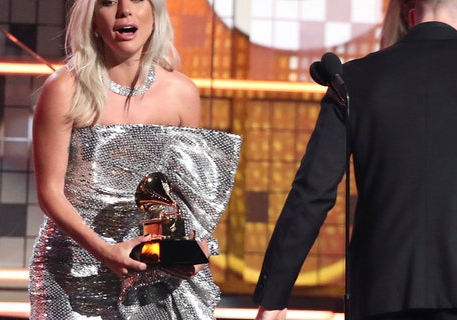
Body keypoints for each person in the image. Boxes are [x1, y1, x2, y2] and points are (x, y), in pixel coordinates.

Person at [28, 0, 241, 319]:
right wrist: (105, 251)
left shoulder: (181, 93)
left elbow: (176, 195)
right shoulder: (64, 89)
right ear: (93, 20)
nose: (124, 10)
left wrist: (188, 248)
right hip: (73, 268)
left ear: (154, 14)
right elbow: (49, 193)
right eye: (108, 2)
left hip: (148, 264)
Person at [253, 0, 457, 319]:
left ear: (410, 14)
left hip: (381, 294)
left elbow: (312, 193)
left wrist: (274, 294)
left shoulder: (353, 79)